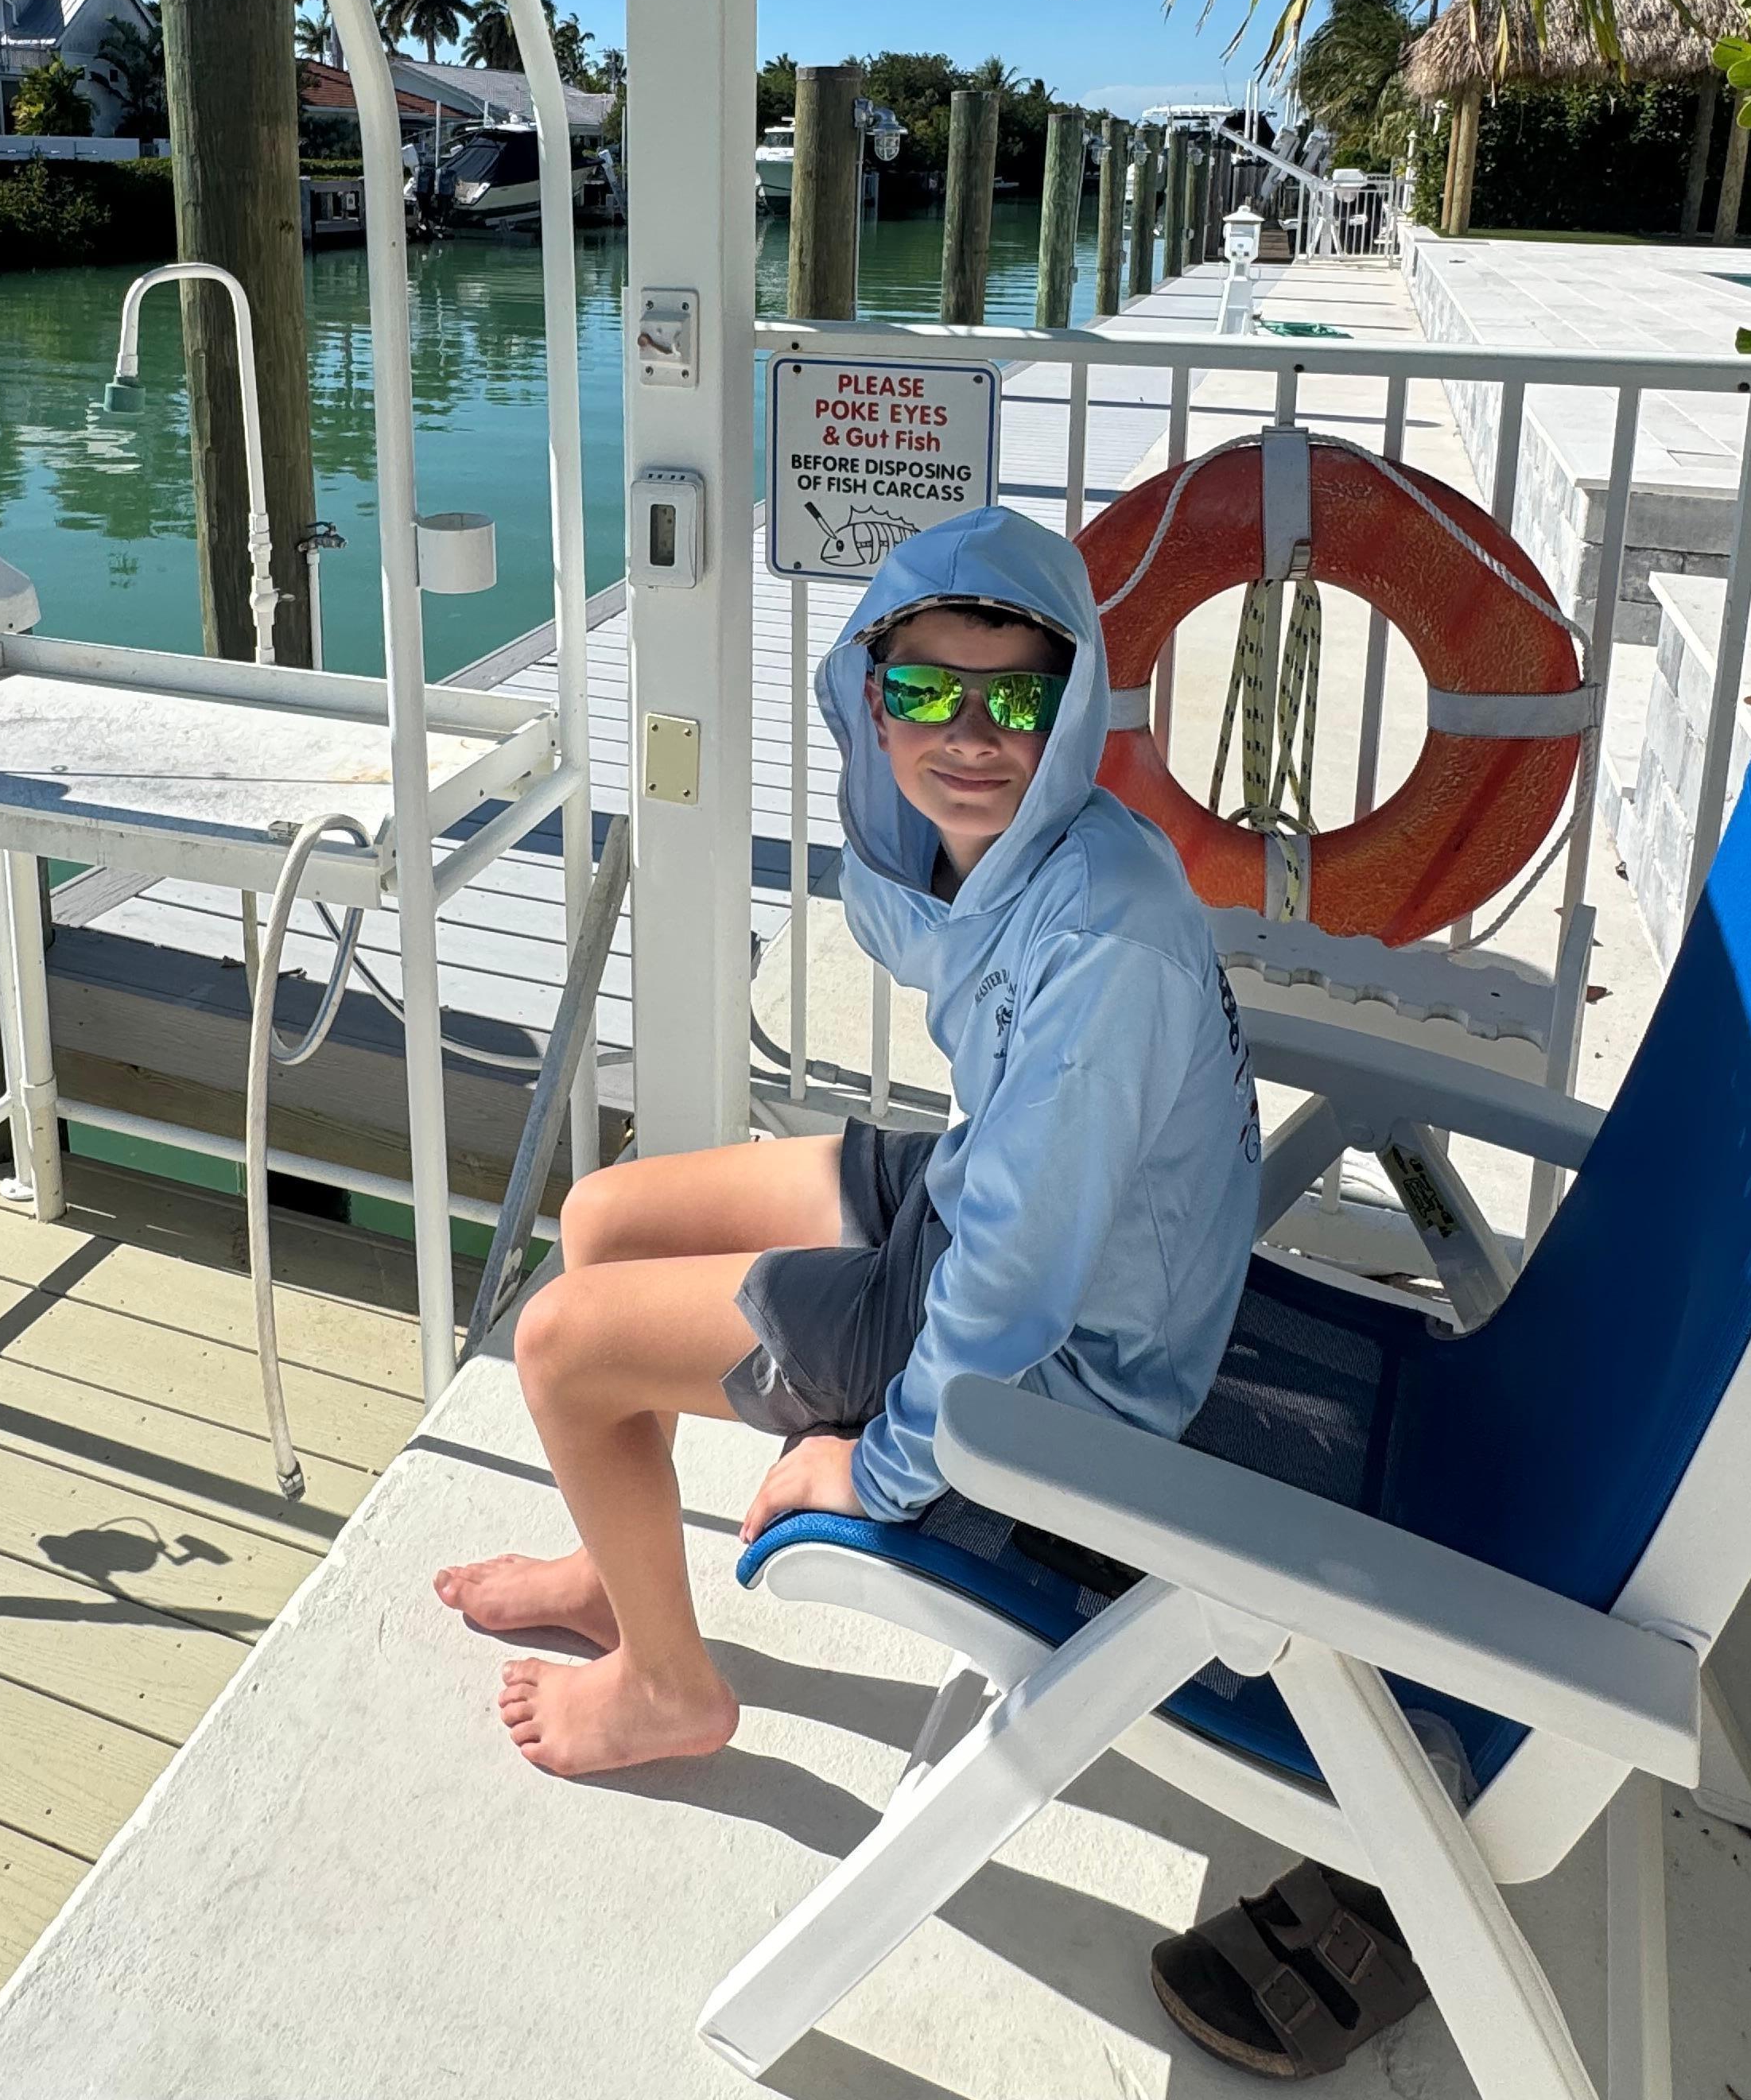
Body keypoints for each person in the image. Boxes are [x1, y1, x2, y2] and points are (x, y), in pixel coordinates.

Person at [434, 507, 1261, 1784]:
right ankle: (616, 1573)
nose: (972, 738)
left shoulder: (1105, 941)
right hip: (988, 1200)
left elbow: (1018, 1287)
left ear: (1076, 711)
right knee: (602, 1213)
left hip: (1071, 1361)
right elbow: (1011, 1166)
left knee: (559, 1344)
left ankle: (668, 1687)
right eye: (928, 690)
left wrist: (876, 1473)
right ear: (873, 705)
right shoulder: (1038, 854)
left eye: (1019, 703)